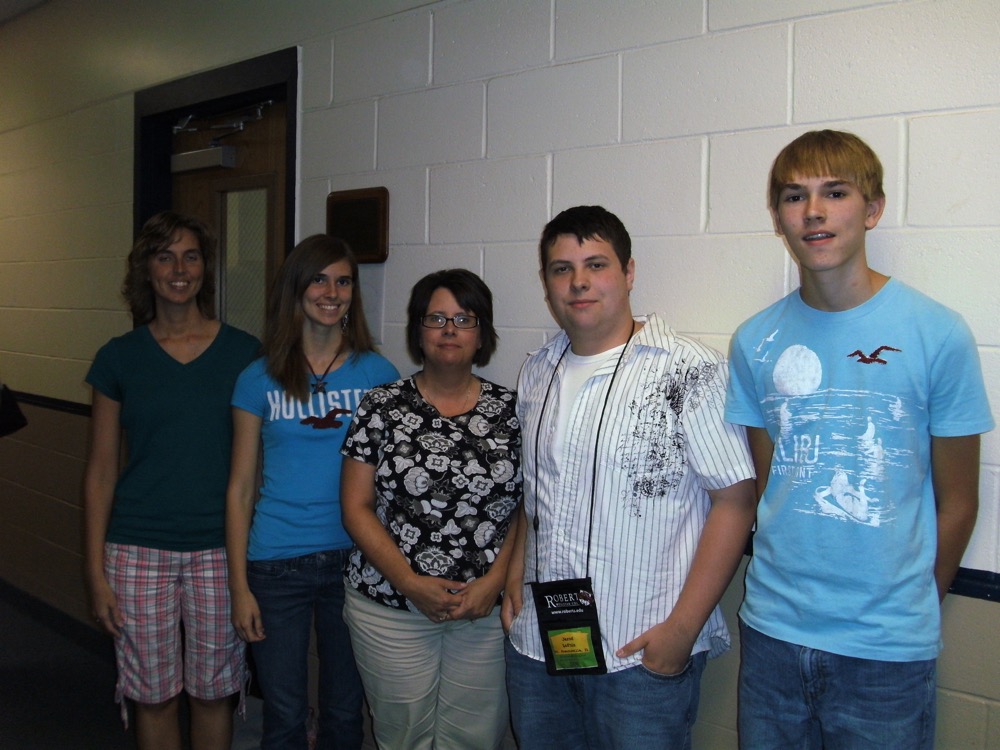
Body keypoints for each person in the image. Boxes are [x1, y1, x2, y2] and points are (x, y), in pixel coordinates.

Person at [725, 130, 994, 749]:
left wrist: (909, 608)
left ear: (872, 209)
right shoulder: (755, 341)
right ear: (779, 218)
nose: (813, 212)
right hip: (772, 636)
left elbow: (959, 501)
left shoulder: (937, 333)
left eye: (835, 193)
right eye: (795, 196)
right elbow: (772, 486)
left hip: (886, 655)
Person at [502, 205, 757, 749]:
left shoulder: (689, 370)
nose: (579, 282)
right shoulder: (536, 371)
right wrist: (513, 578)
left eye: (596, 265)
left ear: (629, 272)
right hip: (539, 646)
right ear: (546, 282)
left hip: (639, 654)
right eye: (562, 269)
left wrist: (680, 632)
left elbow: (736, 502)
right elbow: (536, 493)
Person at [83, 211, 260, 750]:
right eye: (165, 257)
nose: (179, 270)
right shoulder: (119, 358)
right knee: (153, 697)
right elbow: (101, 471)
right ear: (146, 269)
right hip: (137, 549)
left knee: (213, 693)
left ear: (206, 267)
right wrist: (94, 571)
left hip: (219, 551)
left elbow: (257, 465)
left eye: (191, 256)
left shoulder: (245, 355)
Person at [225, 234, 398, 749]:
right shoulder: (258, 378)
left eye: (343, 281)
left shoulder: (378, 374)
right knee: (284, 715)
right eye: (319, 279)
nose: (332, 292)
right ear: (296, 288)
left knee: (345, 713)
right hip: (277, 564)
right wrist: (239, 587)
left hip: (356, 560)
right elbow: (240, 488)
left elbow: (392, 482)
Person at [340, 268, 521, 750]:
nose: (449, 330)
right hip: (390, 605)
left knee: (474, 738)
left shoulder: (512, 411)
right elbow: (355, 507)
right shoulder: (381, 405)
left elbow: (525, 509)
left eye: (464, 319)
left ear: (482, 332)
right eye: (436, 318)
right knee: (403, 737)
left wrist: (495, 582)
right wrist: (409, 582)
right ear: (418, 330)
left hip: (483, 610)